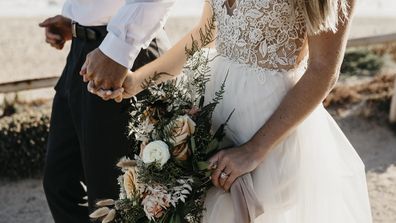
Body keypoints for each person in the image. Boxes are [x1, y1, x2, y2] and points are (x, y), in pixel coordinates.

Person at [89, 0, 373, 222]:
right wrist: (138, 81)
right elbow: (205, 32)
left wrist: (255, 149)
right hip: (213, 108)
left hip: (270, 126)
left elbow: (323, 70)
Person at [39, 0, 175, 222]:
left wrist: (118, 49)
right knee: (60, 183)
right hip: (82, 49)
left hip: (122, 52)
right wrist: (77, 19)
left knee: (113, 198)